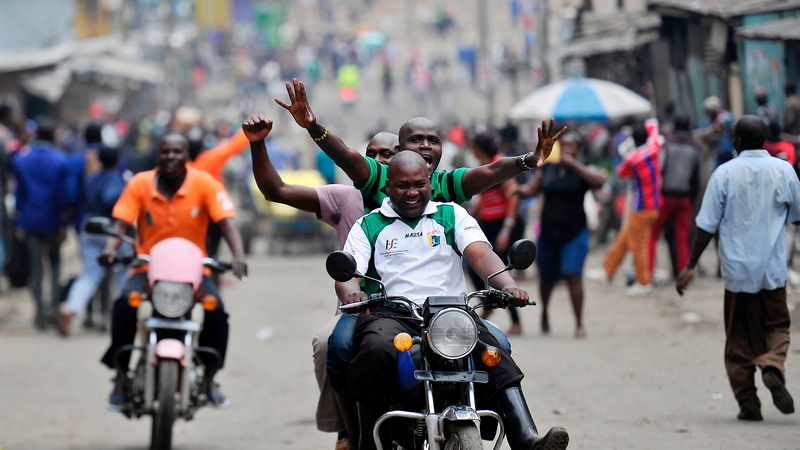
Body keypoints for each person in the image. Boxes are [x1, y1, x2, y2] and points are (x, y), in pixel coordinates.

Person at [339, 151, 569, 450]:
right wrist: (351, 291)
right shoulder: (368, 225)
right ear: (387, 187)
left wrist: (508, 285)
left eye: (419, 184)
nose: (412, 192)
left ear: (430, 183)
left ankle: (526, 438)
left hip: (450, 314)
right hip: (392, 315)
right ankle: (369, 443)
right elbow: (348, 272)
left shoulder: (451, 214)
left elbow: (481, 255)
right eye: (402, 186)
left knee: (495, 353)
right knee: (374, 351)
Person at [245, 114, 397, 450]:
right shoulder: (345, 199)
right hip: (360, 306)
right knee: (328, 343)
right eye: (371, 155)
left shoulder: (428, 200)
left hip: (412, 304)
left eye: (387, 154)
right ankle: (346, 428)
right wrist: (257, 145)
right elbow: (276, 190)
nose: (378, 161)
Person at [99, 134, 247, 410]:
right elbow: (120, 224)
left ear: (186, 156)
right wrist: (109, 249)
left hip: (194, 272)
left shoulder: (204, 183)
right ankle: (120, 374)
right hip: (147, 270)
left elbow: (226, 222)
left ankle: (210, 377)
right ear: (158, 155)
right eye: (165, 151)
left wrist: (238, 256)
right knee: (124, 306)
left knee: (216, 313)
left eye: (177, 152)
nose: (171, 157)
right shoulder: (140, 183)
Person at [274, 78, 565, 213]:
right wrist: (313, 126)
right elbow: (346, 156)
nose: (426, 146)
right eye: (416, 140)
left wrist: (531, 159)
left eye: (433, 141)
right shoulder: (379, 178)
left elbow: (490, 172)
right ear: (399, 151)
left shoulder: (446, 183)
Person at [676, 115, 800, 421]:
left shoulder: (724, 173)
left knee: (738, 338)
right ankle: (772, 365)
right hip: (773, 270)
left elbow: (706, 226)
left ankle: (748, 402)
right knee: (777, 326)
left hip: (736, 271)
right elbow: (797, 215)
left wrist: (690, 265)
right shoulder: (784, 170)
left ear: (738, 141)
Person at [520, 132, 604, 337]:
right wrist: (515, 190)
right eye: (563, 145)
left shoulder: (584, 169)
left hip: (575, 233)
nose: (566, 149)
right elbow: (530, 190)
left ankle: (579, 323)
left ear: (578, 149)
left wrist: (574, 164)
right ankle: (545, 312)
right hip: (549, 233)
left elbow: (599, 182)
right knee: (546, 278)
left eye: (571, 146)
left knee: (572, 274)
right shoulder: (548, 169)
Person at [58, 147, 129, 336]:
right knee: (123, 275)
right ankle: (131, 314)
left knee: (89, 274)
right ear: (117, 161)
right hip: (112, 230)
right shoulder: (116, 180)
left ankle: (71, 308)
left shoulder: (91, 178)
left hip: (89, 228)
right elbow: (110, 198)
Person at [589, 119, 661, 296]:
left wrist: (626, 149)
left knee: (638, 246)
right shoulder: (654, 147)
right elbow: (653, 124)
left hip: (641, 206)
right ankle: (608, 270)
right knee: (624, 238)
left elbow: (621, 173)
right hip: (654, 203)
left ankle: (643, 282)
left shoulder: (633, 158)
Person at [11, 118, 70, 329]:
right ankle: (53, 308)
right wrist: (64, 222)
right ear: (53, 136)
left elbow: (19, 194)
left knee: (36, 267)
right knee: (55, 265)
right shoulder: (61, 160)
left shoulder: (21, 160)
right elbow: (63, 195)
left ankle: (39, 310)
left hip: (30, 219)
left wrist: (16, 220)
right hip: (53, 220)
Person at [468, 133, 524, 335]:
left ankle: (516, 321)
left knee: (499, 273)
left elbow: (514, 195)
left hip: (502, 225)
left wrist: (506, 230)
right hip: (487, 224)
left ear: (478, 148)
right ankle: (489, 303)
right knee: (473, 268)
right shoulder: (483, 166)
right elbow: (485, 196)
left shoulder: (498, 164)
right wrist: (470, 215)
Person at [647, 116, 701, 282]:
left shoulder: (668, 145)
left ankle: (647, 273)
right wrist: (692, 198)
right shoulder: (695, 148)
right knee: (682, 237)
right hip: (685, 197)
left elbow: (658, 169)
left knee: (653, 233)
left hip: (665, 195)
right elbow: (697, 176)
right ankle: (683, 273)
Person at [698, 96, 736, 167]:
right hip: (714, 153)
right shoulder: (706, 122)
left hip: (728, 151)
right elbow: (701, 134)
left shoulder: (727, 118)